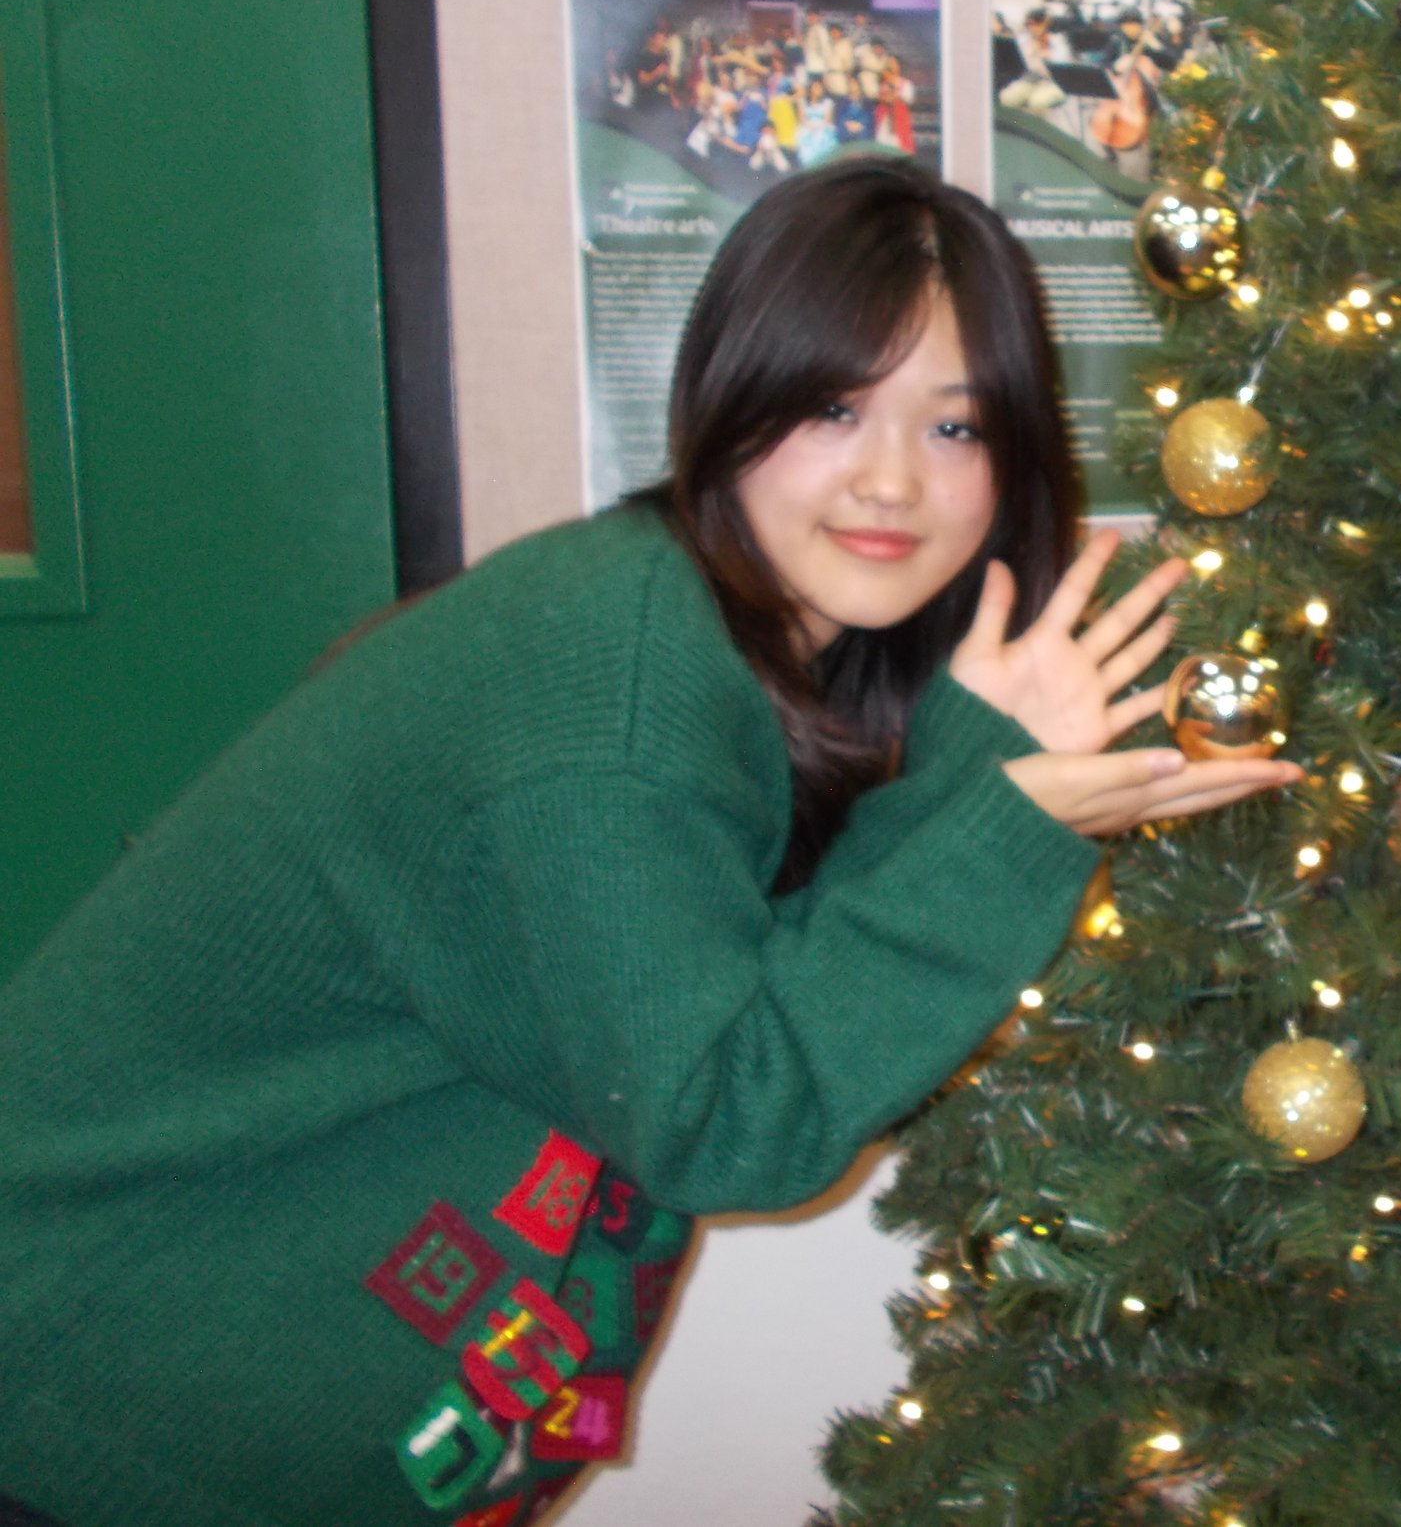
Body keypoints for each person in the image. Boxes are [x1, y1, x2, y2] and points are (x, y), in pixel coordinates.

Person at [0, 157, 1301, 1526]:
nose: (892, 480)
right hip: (71, 1413)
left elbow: (789, 986)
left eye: (957, 427)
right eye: (835, 406)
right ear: (731, 397)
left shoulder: (729, 647)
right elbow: (724, 1117)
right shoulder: (619, 670)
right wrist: (1008, 827)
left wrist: (982, 768)